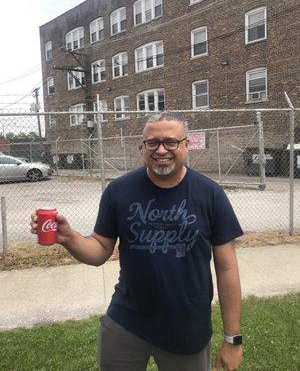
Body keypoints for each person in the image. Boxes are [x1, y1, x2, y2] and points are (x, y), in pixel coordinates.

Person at [31, 112, 243, 371]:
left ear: (186, 145)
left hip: (186, 327)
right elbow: (99, 250)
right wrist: (68, 237)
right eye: (152, 142)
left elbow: (227, 269)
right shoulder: (119, 191)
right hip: (126, 322)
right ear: (143, 147)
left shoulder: (210, 194)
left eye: (171, 142)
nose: (161, 150)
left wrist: (232, 339)